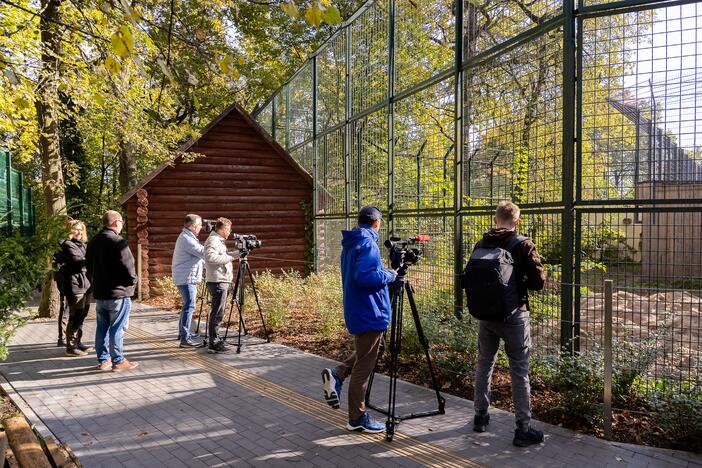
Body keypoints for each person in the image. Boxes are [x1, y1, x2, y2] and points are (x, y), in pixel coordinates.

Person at [468, 201, 546, 447]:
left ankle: (480, 416)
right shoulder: (523, 244)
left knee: (484, 364)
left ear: (495, 220)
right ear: (517, 221)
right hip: (514, 316)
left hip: (486, 316)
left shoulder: (481, 244)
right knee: (519, 371)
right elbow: (538, 282)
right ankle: (522, 429)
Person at [321, 206, 397, 434]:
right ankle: (356, 418)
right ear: (376, 223)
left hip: (359, 308)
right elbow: (366, 276)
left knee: (376, 350)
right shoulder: (368, 243)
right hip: (370, 311)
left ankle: (339, 373)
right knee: (364, 366)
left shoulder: (353, 241)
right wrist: (390, 274)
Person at [86, 210, 139, 372]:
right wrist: (133, 282)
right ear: (116, 223)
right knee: (117, 327)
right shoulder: (118, 241)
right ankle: (118, 360)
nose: (122, 225)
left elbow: (88, 266)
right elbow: (129, 267)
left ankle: (104, 360)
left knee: (102, 327)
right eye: (122, 222)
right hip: (119, 293)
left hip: (100, 293)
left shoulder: (93, 241)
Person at [57, 220, 93, 356]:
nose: (78, 232)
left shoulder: (82, 244)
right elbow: (79, 263)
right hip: (75, 284)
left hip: (86, 284)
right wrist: (88, 260)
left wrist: (86, 260)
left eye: (80, 229)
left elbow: (85, 261)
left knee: (82, 315)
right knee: (75, 315)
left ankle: (78, 342)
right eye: (75, 229)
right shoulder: (67, 245)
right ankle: (71, 347)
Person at [204, 217, 237, 354]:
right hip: (217, 281)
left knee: (219, 312)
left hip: (221, 280)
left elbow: (223, 256)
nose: (230, 232)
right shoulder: (213, 240)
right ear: (222, 229)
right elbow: (210, 258)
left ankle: (216, 340)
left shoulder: (218, 240)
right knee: (217, 313)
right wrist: (231, 257)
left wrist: (236, 254)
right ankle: (214, 343)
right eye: (229, 229)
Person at [172, 214, 205, 348]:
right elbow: (203, 252)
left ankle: (183, 334)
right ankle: (185, 339)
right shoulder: (187, 239)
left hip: (185, 277)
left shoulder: (187, 237)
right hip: (186, 278)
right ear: (193, 226)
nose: (201, 227)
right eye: (199, 225)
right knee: (189, 307)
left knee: (187, 306)